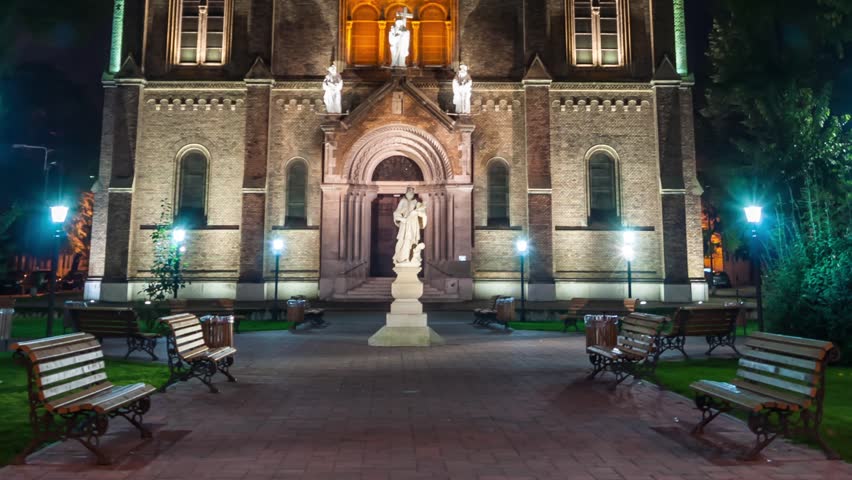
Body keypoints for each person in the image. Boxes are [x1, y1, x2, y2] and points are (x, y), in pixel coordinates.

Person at [393, 187, 427, 264]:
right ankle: (400, 258)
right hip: (405, 224)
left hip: (413, 224)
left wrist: (419, 213)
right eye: (409, 191)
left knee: (413, 241)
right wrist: (402, 219)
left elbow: (422, 213)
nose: (410, 193)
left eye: (412, 192)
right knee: (402, 240)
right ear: (406, 193)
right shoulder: (403, 201)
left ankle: (411, 258)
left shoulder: (415, 202)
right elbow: (396, 213)